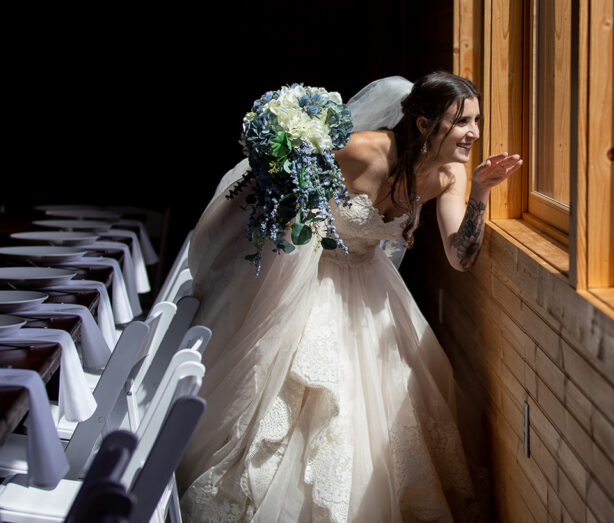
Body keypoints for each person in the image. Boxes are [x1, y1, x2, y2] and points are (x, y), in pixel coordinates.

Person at [177, 72, 522, 522]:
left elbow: (461, 256)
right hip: (310, 275)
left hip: (371, 286)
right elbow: (275, 181)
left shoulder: (451, 174)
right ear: (423, 125)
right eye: (461, 121)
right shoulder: (360, 149)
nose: (474, 132)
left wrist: (480, 190)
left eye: (476, 120)